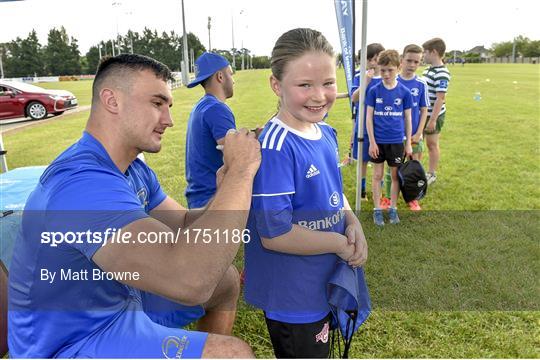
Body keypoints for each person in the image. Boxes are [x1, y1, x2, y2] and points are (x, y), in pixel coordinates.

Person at [8, 54, 260, 358]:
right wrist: (243, 172)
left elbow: (181, 223)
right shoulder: (81, 184)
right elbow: (190, 279)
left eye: (168, 106)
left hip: (118, 305)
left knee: (225, 281)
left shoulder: (132, 169)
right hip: (70, 342)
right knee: (232, 354)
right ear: (112, 101)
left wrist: (225, 191)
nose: (168, 119)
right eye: (157, 103)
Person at [244, 28, 368, 358]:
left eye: (328, 82)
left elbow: (334, 193)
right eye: (304, 85)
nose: (319, 95)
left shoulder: (326, 133)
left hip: (323, 280)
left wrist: (353, 222)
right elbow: (275, 233)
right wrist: (340, 244)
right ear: (276, 85)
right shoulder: (275, 147)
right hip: (293, 295)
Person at [366, 50, 413, 226]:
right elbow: (369, 118)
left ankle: (393, 208)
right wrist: (371, 141)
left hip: (395, 142)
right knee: (377, 175)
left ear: (398, 68)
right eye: (383, 70)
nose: (386, 74)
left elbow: (408, 119)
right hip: (377, 142)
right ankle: (377, 210)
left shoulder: (404, 92)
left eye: (390, 70)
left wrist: (408, 143)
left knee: (395, 176)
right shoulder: (374, 91)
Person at [185, 52, 236, 209]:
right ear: (220, 76)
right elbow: (235, 155)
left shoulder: (202, 106)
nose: (233, 80)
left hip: (200, 199)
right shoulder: (217, 109)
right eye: (230, 74)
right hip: (213, 199)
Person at [395, 44, 429, 211]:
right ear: (401, 60)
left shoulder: (421, 84)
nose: (412, 65)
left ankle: (412, 199)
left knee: (413, 168)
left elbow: (424, 110)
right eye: (409, 60)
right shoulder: (393, 82)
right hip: (395, 135)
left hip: (415, 135)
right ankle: (388, 197)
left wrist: (419, 132)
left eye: (417, 62)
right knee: (393, 170)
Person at [349, 44, 385, 202]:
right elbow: (354, 98)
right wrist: (366, 81)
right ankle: (362, 191)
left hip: (382, 126)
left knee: (380, 161)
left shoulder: (388, 76)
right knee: (363, 160)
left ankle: (380, 190)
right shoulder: (359, 75)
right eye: (370, 59)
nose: (373, 63)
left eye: (376, 59)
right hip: (363, 125)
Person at [422, 38, 451, 185]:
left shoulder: (442, 73)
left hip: (434, 115)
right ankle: (416, 171)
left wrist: (432, 120)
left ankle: (431, 174)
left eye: (425, 52)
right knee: (418, 144)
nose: (423, 55)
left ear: (433, 52)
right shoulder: (427, 70)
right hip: (423, 114)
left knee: (431, 144)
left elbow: (440, 98)